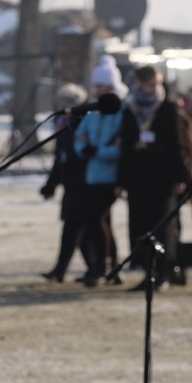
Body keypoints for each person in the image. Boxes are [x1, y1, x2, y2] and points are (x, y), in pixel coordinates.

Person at [119, 64, 192, 290]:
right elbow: (125, 148)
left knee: (162, 226)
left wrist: (180, 177)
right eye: (149, 84)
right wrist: (120, 180)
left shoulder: (168, 108)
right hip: (138, 177)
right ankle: (146, 271)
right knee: (140, 225)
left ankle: (163, 272)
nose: (154, 88)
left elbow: (177, 145)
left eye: (157, 84)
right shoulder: (130, 109)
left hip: (163, 178)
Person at [73, 56, 127, 286]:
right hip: (92, 175)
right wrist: (84, 149)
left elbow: (121, 148)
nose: (97, 90)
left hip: (110, 177)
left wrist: (97, 150)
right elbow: (80, 137)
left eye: (101, 86)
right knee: (103, 221)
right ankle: (113, 266)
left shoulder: (121, 112)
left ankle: (100, 266)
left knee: (95, 219)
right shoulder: (93, 112)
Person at [39, 82, 94, 283]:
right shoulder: (63, 126)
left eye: (64, 102)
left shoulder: (82, 126)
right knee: (79, 231)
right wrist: (51, 184)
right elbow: (59, 160)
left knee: (74, 229)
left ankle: (63, 270)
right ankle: (94, 269)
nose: (60, 105)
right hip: (71, 185)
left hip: (84, 185)